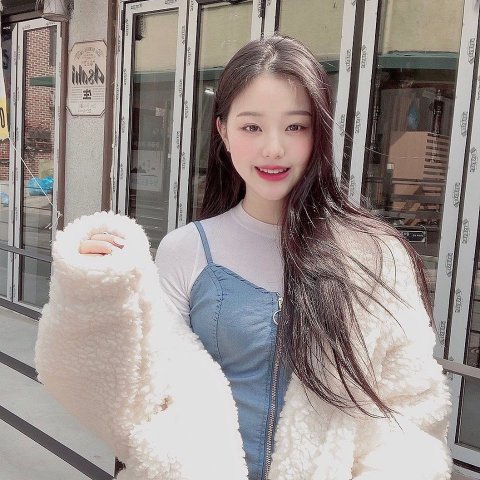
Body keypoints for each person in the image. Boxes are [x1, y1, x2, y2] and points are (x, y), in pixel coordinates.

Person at [35, 36, 452, 480]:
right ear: (223, 131)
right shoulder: (187, 249)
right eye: (252, 127)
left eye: (296, 127)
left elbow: (411, 409)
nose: (273, 148)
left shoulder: (374, 255)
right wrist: (95, 295)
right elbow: (138, 393)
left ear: (319, 132)